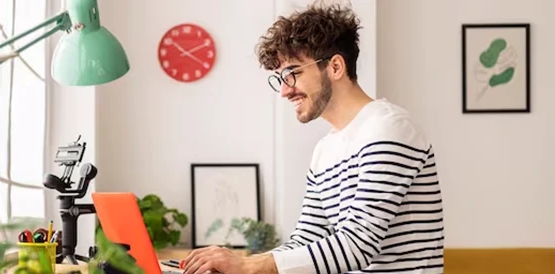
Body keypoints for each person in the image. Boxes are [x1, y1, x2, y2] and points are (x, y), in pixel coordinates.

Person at [181, 3, 444, 274]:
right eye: (280, 78)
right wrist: (230, 266)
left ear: (336, 67)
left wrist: (248, 265)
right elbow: (306, 240)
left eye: (293, 73)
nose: (284, 91)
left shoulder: (389, 128)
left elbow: (358, 245)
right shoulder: (324, 151)